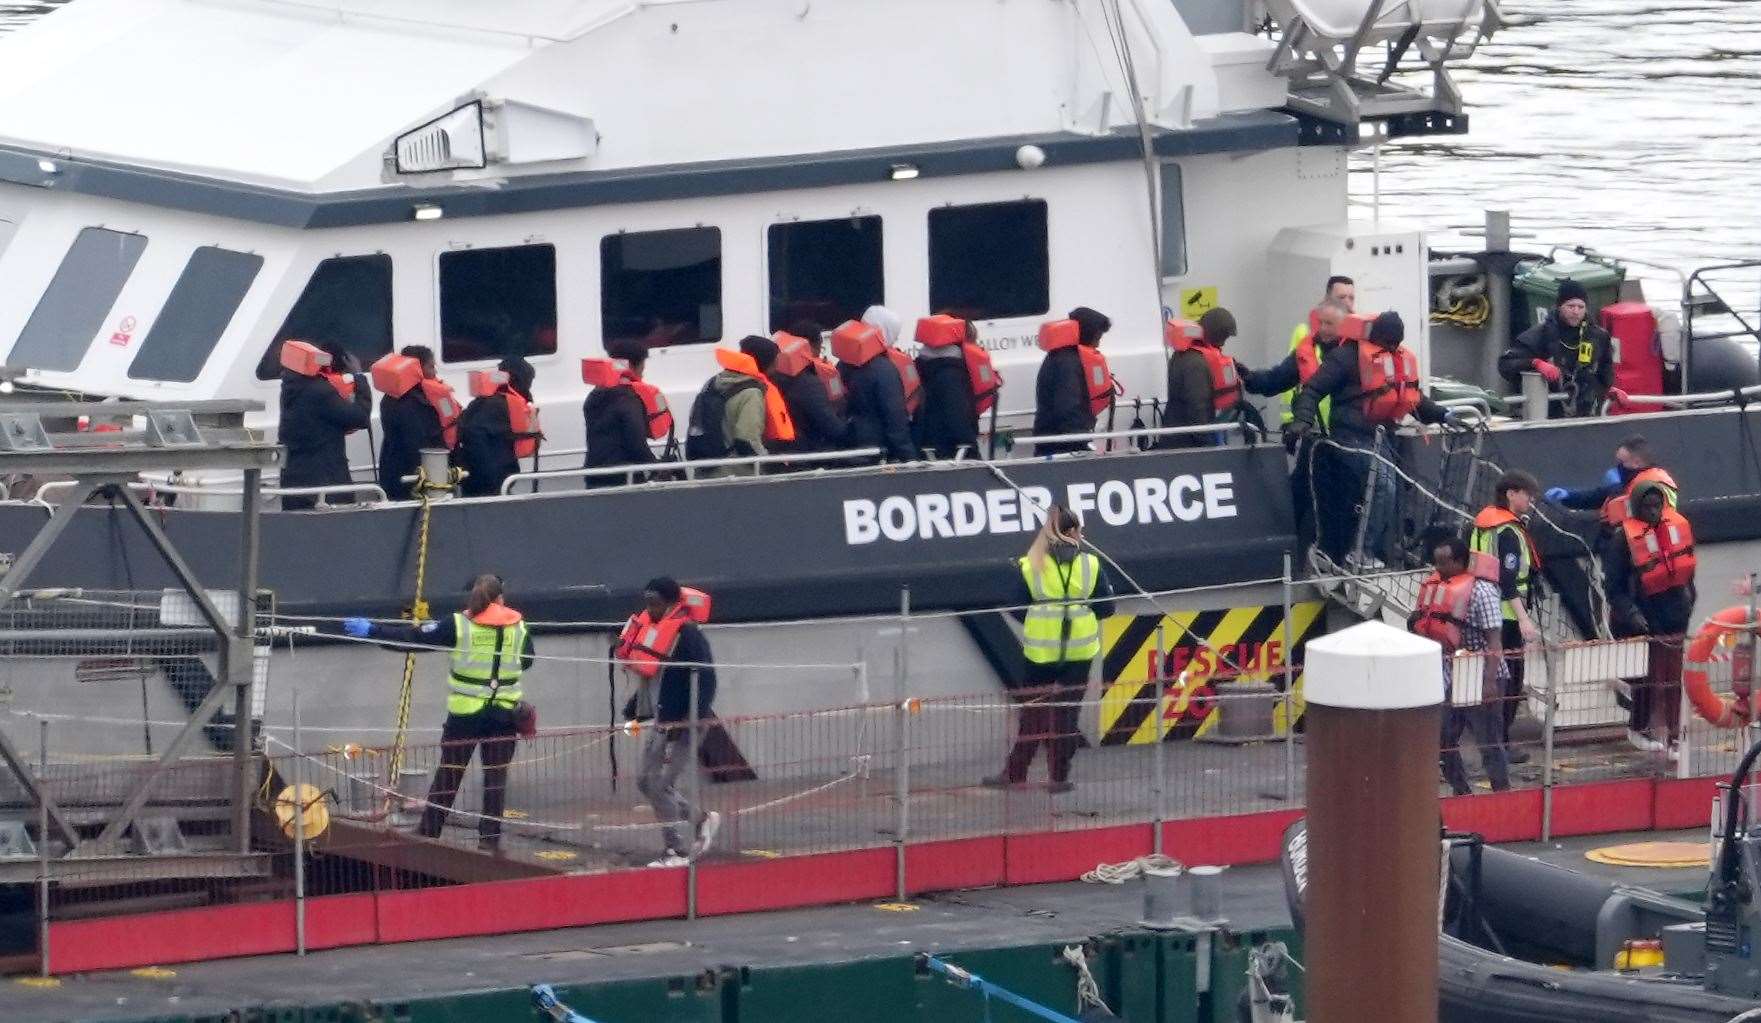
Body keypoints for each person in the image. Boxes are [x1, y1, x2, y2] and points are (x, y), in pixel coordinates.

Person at [341, 574, 534, 852]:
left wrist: (372, 631)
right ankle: (489, 842)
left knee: (449, 775)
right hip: (504, 716)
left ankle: (429, 831)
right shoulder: (520, 626)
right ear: (501, 598)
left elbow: (413, 639)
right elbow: (527, 662)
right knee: (495, 779)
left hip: (465, 716)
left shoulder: (457, 624)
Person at [1287, 311, 1462, 568]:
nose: (1392, 347)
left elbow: (1414, 399)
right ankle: (1360, 552)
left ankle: (1374, 551)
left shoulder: (1396, 358)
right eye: (1388, 342)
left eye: (1396, 343)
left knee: (1393, 492)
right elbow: (1312, 390)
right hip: (1349, 436)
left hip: (1381, 437)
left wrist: (1444, 414)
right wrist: (1302, 420)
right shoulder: (1345, 357)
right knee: (1382, 486)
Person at [985, 505, 1115, 794]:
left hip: (1040, 654)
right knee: (1067, 714)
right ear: (1072, 532)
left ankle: (1015, 773)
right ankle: (1059, 778)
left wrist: (1040, 619)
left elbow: (1015, 606)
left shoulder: (1031, 564)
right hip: (1080, 653)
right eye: (1079, 530)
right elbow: (1107, 608)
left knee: (1033, 714)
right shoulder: (1091, 564)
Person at [627, 577, 722, 866]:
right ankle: (700, 818)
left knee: (659, 784)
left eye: (655, 603)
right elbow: (653, 677)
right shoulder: (655, 632)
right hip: (661, 720)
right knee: (645, 781)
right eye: (647, 603)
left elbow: (706, 679)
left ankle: (675, 850)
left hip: (685, 724)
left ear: (671, 603)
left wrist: (687, 718)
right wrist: (633, 709)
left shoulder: (689, 634)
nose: (650, 609)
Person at [1246, 301, 1348, 556]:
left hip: (1347, 440)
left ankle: (1329, 555)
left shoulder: (1352, 354)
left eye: (1329, 324)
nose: (1323, 329)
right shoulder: (1309, 351)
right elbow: (1277, 379)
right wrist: (1249, 379)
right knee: (1299, 497)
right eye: (1320, 322)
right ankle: (1288, 553)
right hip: (1315, 439)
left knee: (1334, 506)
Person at [1410, 537, 1510, 796]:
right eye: (1436, 562)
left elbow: (1494, 641)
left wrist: (1489, 682)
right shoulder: (1439, 588)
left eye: (1444, 563)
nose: (1439, 568)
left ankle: (1503, 794)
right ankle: (1461, 792)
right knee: (1442, 738)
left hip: (1483, 673)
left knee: (1489, 742)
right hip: (1450, 674)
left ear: (1460, 562)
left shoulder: (1482, 592)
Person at [1604, 479, 1697, 756]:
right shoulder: (1623, 539)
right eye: (1648, 506)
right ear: (1636, 507)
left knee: (1672, 682)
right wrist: (1632, 615)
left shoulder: (1676, 529)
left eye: (1658, 505)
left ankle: (1675, 736)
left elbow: (1689, 575)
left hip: (1675, 616)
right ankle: (1642, 728)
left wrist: (1689, 603)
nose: (1654, 511)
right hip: (1642, 619)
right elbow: (1615, 588)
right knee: (1648, 680)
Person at [1468, 471, 1544, 764]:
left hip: (1480, 609)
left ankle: (1489, 738)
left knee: (1488, 678)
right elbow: (1509, 580)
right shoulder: (1509, 532)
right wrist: (1524, 619)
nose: (1530, 501)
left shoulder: (1482, 525)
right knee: (1510, 682)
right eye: (1527, 494)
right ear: (1511, 494)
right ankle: (1503, 743)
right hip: (1506, 617)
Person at [1498, 280, 1625, 418]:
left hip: (1586, 413)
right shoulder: (1539, 335)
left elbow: (1604, 370)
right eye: (1570, 306)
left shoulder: (1598, 336)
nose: (1576, 311)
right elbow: (1506, 363)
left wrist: (1607, 389)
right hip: (1547, 412)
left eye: (1580, 307)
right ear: (1559, 306)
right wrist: (1535, 363)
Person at [278, 339, 370, 510]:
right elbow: (360, 418)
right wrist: (359, 378)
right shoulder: (320, 392)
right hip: (324, 483)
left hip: (295, 480)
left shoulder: (289, 389)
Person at [685, 335, 796, 475]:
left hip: (706, 470)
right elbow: (747, 440)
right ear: (766, 363)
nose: (777, 367)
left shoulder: (713, 383)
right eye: (775, 362)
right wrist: (771, 463)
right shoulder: (751, 392)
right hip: (736, 475)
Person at [375, 345, 457, 502]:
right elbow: (417, 442)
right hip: (412, 479)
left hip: (393, 472)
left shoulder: (390, 398)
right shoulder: (414, 403)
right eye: (431, 366)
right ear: (417, 369)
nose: (435, 372)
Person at [834, 320, 917, 463]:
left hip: (853, 442)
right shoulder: (884, 370)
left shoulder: (841, 367)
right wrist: (908, 456)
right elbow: (894, 414)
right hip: (879, 447)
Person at [1033, 306, 1112, 456]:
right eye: (1098, 338)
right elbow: (1068, 406)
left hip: (1055, 441)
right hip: (1062, 446)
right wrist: (1080, 442)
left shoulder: (1062, 357)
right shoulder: (1068, 363)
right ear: (1088, 334)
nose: (1098, 344)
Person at [455, 357, 539, 498]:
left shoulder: (482, 402)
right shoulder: (498, 405)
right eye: (529, 381)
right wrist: (491, 481)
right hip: (488, 485)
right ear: (520, 380)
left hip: (485, 481)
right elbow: (475, 438)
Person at [582, 339, 660, 488]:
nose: (642, 375)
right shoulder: (628, 397)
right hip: (623, 477)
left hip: (594, 474)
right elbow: (635, 441)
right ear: (633, 366)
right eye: (642, 368)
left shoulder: (595, 394)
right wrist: (654, 465)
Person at [1162, 307, 1243, 448]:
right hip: (1187, 443)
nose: (1224, 343)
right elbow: (1197, 407)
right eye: (1223, 337)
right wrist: (1207, 444)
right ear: (1215, 334)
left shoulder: (1187, 354)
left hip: (1180, 437)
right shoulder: (1195, 362)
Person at [768, 323, 848, 455]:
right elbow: (832, 426)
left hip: (782, 448)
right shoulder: (807, 383)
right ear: (812, 347)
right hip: (810, 451)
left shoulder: (773, 374)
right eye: (820, 348)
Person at [912, 315, 982, 459]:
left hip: (929, 448)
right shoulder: (951, 374)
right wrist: (973, 452)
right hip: (950, 453)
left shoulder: (924, 365)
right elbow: (957, 416)